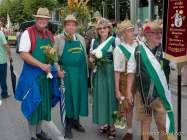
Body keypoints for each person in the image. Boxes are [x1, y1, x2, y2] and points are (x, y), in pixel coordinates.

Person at [126, 22, 176, 140]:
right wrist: (128, 91)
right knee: (145, 125)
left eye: (160, 33)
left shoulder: (166, 50)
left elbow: (175, 65)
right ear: (147, 34)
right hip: (142, 94)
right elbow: (131, 71)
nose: (159, 35)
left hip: (160, 96)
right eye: (156, 33)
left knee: (162, 126)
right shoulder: (138, 51)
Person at [16, 8, 56, 140]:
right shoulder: (28, 33)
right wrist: (42, 65)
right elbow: (23, 54)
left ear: (47, 20)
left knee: (43, 104)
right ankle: (33, 135)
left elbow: (53, 54)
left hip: (45, 77)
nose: (42, 21)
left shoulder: (49, 34)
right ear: (36, 19)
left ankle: (39, 132)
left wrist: (53, 66)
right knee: (33, 105)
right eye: (40, 18)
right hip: (32, 77)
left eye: (45, 19)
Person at [55, 15, 88, 139]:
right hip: (67, 75)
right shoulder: (58, 39)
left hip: (80, 74)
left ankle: (75, 122)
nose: (71, 27)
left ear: (76, 26)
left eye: (73, 24)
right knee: (68, 99)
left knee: (78, 97)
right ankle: (67, 125)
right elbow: (53, 58)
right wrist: (58, 71)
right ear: (64, 26)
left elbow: (84, 56)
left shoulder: (80, 38)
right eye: (68, 24)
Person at [89, 18, 120, 139]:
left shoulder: (114, 40)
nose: (102, 30)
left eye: (105, 27)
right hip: (99, 72)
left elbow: (119, 57)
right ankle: (104, 123)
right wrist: (91, 60)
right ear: (97, 30)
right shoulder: (94, 42)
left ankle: (112, 127)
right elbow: (90, 59)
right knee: (101, 98)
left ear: (109, 29)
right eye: (100, 28)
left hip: (111, 72)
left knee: (111, 99)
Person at [114, 20, 136, 140]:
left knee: (144, 107)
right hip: (124, 80)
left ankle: (145, 132)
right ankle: (129, 131)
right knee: (128, 107)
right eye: (129, 30)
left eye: (132, 29)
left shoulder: (138, 45)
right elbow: (117, 71)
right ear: (123, 34)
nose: (132, 32)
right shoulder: (119, 50)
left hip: (139, 80)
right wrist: (117, 90)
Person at [0, 25, 12, 99]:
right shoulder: (0, 33)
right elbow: (6, 45)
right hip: (1, 60)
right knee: (2, 78)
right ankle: (4, 93)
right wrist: (10, 55)